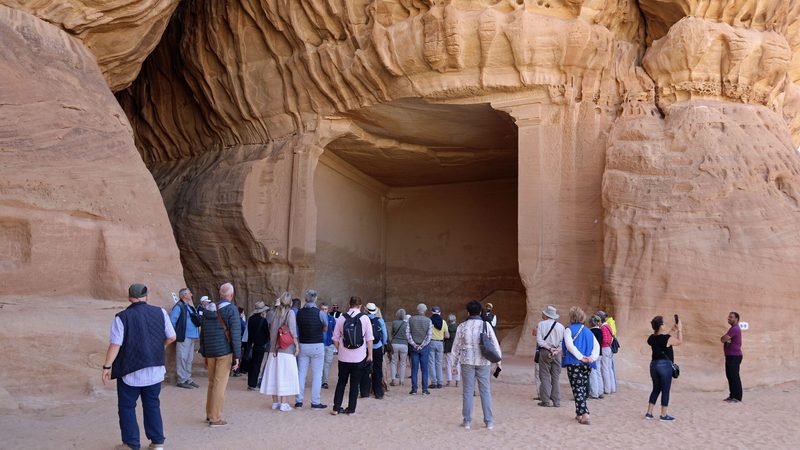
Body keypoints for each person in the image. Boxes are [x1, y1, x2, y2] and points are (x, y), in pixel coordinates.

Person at [103, 283, 176, 450]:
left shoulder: (122, 317)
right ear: (146, 296)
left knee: (127, 407)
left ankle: (131, 443)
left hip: (131, 370)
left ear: (130, 298)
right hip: (155, 369)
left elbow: (115, 344)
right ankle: (157, 442)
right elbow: (172, 337)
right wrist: (159, 347)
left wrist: (107, 367)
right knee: (152, 405)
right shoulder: (161, 312)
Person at [452, 300, 501, 430]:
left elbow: (456, 347)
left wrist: (453, 364)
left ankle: (467, 421)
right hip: (483, 361)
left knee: (468, 391)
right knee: (485, 391)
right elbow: (494, 343)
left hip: (466, 361)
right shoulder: (485, 325)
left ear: (468, 312)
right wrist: (498, 361)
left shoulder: (462, 326)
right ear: (480, 311)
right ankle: (489, 421)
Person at [199, 282, 242, 427]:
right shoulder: (231, 309)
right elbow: (235, 334)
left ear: (220, 294)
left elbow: (203, 333)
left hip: (210, 351)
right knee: (219, 385)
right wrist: (237, 356)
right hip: (224, 352)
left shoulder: (208, 309)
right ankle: (215, 417)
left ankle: (209, 414)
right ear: (231, 295)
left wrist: (204, 351)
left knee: (212, 383)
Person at [331, 296, 374, 415]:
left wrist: (340, 349)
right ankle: (351, 410)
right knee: (355, 384)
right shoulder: (365, 318)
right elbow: (370, 339)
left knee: (341, 382)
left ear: (349, 304)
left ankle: (336, 408)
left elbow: (335, 338)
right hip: (359, 357)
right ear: (360, 306)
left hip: (343, 357)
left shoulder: (341, 318)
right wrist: (370, 355)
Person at [261, 292, 300, 412]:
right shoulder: (290, 313)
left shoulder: (273, 313)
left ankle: (275, 402)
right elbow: (293, 331)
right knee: (286, 376)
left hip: (274, 349)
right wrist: (297, 346)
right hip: (286, 349)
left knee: (274, 375)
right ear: (290, 302)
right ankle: (284, 403)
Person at [562, 306, 599, 425]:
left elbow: (569, 346)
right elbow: (596, 346)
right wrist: (590, 358)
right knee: (582, 387)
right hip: (587, 364)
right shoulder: (588, 331)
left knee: (577, 388)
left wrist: (580, 357)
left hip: (574, 363)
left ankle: (585, 413)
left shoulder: (569, 329)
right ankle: (579, 413)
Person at [295, 289, 328, 409]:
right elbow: (325, 328)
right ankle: (315, 402)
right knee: (317, 374)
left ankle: (299, 401)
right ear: (315, 299)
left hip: (303, 344)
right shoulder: (320, 313)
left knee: (301, 373)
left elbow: (298, 326)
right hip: (317, 345)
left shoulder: (299, 313)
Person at [646, 315, 682, 421]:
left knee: (656, 389)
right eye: (663, 323)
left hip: (653, 365)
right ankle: (663, 415)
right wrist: (679, 329)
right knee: (665, 390)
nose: (665, 325)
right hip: (665, 366)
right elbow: (679, 341)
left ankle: (649, 413)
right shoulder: (666, 339)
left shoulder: (651, 338)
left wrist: (672, 330)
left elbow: (662, 339)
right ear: (661, 326)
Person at [170, 287, 201, 389]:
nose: (191, 294)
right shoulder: (179, 307)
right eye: (189, 293)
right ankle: (181, 380)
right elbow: (172, 321)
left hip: (191, 336)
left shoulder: (188, 306)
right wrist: (175, 334)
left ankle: (188, 378)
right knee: (182, 358)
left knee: (189, 359)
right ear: (184, 295)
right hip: (184, 336)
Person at [537, 305, 565, 407]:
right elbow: (563, 342)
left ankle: (546, 400)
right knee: (555, 377)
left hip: (545, 351)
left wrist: (549, 348)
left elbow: (540, 341)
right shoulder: (561, 326)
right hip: (557, 353)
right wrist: (557, 350)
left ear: (546, 314)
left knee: (544, 376)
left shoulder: (541, 324)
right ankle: (556, 401)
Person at [359, 302, 387, 399]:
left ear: (366, 310)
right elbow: (385, 335)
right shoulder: (380, 320)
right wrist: (383, 344)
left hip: (366, 347)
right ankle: (378, 393)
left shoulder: (363, 319)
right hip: (377, 347)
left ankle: (365, 392)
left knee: (365, 370)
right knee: (378, 370)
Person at [406, 303, 433, 395]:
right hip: (424, 347)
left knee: (414, 369)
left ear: (417, 309)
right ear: (425, 311)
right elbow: (429, 336)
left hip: (414, 348)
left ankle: (414, 390)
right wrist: (422, 345)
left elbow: (408, 334)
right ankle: (425, 390)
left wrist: (414, 344)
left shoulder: (411, 319)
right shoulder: (428, 320)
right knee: (424, 369)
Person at [246, 301, 270, 391]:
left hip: (251, 344)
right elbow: (267, 333)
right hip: (260, 345)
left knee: (251, 364)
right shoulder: (263, 320)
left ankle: (249, 383)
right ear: (262, 311)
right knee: (257, 364)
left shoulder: (251, 318)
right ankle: (253, 384)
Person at [721, 311, 743, 403]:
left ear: (736, 319)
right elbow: (724, 339)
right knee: (730, 376)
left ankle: (737, 397)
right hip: (730, 356)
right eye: (728, 317)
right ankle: (732, 396)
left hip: (734, 356)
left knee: (734, 376)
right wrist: (725, 339)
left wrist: (725, 339)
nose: (728, 318)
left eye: (731, 317)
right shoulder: (732, 328)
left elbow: (723, 339)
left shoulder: (735, 329)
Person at [428, 306, 449, 389]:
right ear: (440, 312)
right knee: (439, 363)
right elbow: (447, 335)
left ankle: (434, 382)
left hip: (431, 342)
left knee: (431, 363)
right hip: (440, 343)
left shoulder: (429, 321)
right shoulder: (443, 322)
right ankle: (440, 382)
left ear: (432, 312)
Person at [596, 311, 617, 395]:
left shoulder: (603, 328)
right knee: (609, 368)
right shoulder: (608, 326)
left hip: (604, 348)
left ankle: (607, 389)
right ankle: (612, 388)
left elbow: (604, 339)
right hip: (609, 348)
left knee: (605, 369)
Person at [320, 301, 337, 389]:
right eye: (322, 309)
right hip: (320, 344)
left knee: (328, 363)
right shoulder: (317, 318)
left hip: (329, 344)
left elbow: (336, 331)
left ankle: (325, 381)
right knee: (320, 363)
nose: (324, 311)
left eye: (325, 309)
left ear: (328, 310)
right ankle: (321, 380)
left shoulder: (331, 319)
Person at [389, 308, 408, 386]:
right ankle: (402, 380)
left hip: (395, 343)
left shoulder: (394, 322)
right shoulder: (406, 324)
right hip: (404, 344)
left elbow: (392, 333)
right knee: (403, 363)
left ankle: (393, 379)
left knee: (393, 361)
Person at [587, 315, 605, 399]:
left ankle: (594, 393)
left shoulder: (591, 332)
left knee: (593, 373)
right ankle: (600, 391)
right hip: (600, 353)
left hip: (593, 354)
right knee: (598, 372)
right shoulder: (600, 331)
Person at [444, 313, 460, 387]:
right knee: (457, 365)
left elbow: (446, 336)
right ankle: (457, 380)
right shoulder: (459, 328)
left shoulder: (447, 328)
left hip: (449, 348)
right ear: (455, 320)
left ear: (448, 320)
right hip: (457, 349)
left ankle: (449, 380)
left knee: (448, 364)